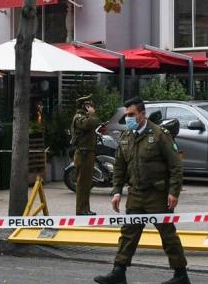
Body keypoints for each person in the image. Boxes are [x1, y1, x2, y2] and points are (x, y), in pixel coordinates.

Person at [94, 97, 189, 284]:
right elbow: (120, 166)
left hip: (158, 194)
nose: (128, 118)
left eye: (131, 115)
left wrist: (173, 192)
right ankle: (118, 272)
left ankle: (181, 275)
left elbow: (175, 166)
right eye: (126, 115)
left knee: (168, 235)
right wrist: (116, 191)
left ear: (142, 114)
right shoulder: (126, 137)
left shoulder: (160, 134)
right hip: (136, 193)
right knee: (128, 233)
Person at [71, 94, 99, 215]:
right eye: (89, 105)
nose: (91, 107)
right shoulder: (79, 118)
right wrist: (92, 114)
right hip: (83, 153)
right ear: (84, 106)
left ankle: (85, 208)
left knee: (87, 183)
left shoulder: (85, 117)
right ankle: (81, 210)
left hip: (88, 153)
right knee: (82, 184)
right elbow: (89, 124)